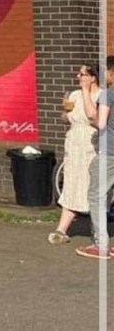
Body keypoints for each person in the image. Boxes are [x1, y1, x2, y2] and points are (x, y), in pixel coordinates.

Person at [48, 65, 101, 245]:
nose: (78, 76)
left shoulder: (101, 96)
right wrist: (65, 111)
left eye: (83, 74)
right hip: (74, 142)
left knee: (93, 186)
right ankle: (62, 229)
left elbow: (95, 119)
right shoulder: (74, 95)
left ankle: (97, 232)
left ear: (93, 77)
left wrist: (86, 92)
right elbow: (66, 118)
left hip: (92, 144)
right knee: (72, 183)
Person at [76, 55, 114, 260]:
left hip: (109, 153)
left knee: (97, 196)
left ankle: (101, 245)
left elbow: (97, 121)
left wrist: (84, 91)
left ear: (110, 73)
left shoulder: (108, 94)